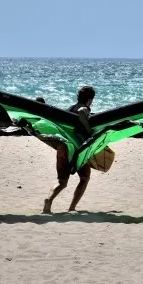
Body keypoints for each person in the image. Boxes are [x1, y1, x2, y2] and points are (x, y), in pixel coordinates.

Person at [43, 85, 95, 214]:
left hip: (63, 147)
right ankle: (72, 207)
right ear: (89, 99)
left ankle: (48, 200)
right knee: (84, 178)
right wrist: (89, 131)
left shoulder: (69, 109)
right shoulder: (85, 107)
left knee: (62, 182)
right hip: (77, 149)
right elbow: (82, 112)